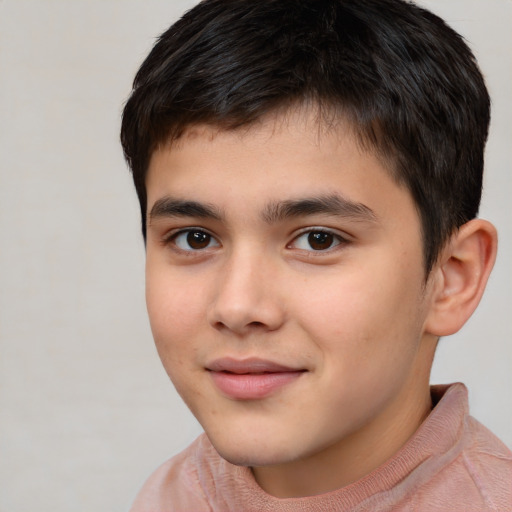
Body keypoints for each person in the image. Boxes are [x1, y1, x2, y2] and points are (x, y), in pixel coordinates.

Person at [120, 0, 512, 509]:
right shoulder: (172, 494)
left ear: (451, 277)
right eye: (196, 238)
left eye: (318, 239)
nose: (238, 307)